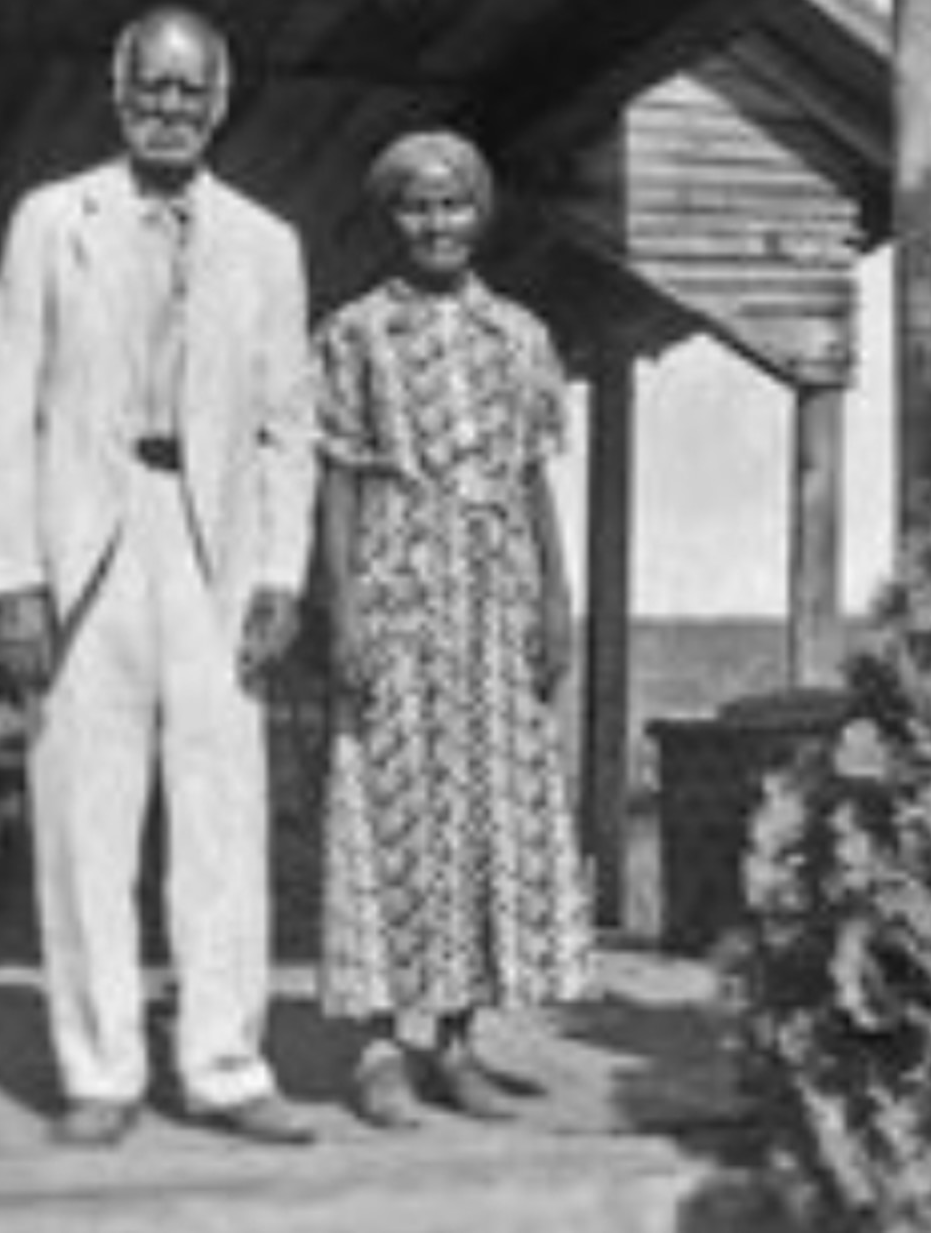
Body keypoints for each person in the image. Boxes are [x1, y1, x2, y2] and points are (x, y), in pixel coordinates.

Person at [0, 5, 317, 1149]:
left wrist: (279, 572)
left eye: (190, 91)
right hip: (87, 544)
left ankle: (223, 1062)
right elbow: (3, 409)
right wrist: (12, 578)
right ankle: (100, 1067)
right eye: (148, 88)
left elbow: (284, 427)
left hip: (213, 547)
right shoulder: (49, 220)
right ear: (115, 94)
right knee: (82, 813)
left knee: (221, 813)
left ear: (221, 102)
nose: (168, 109)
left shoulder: (267, 244)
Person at [315, 130, 594, 1129]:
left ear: (480, 212)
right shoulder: (353, 332)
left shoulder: (518, 334)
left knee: (485, 810)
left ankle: (459, 1041)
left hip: (496, 590)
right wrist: (340, 605)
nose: (435, 223)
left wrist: (556, 596)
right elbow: (340, 478)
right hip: (397, 579)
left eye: (452, 204)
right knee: (391, 803)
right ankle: (379, 1044)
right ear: (390, 218)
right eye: (413, 207)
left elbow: (532, 477)